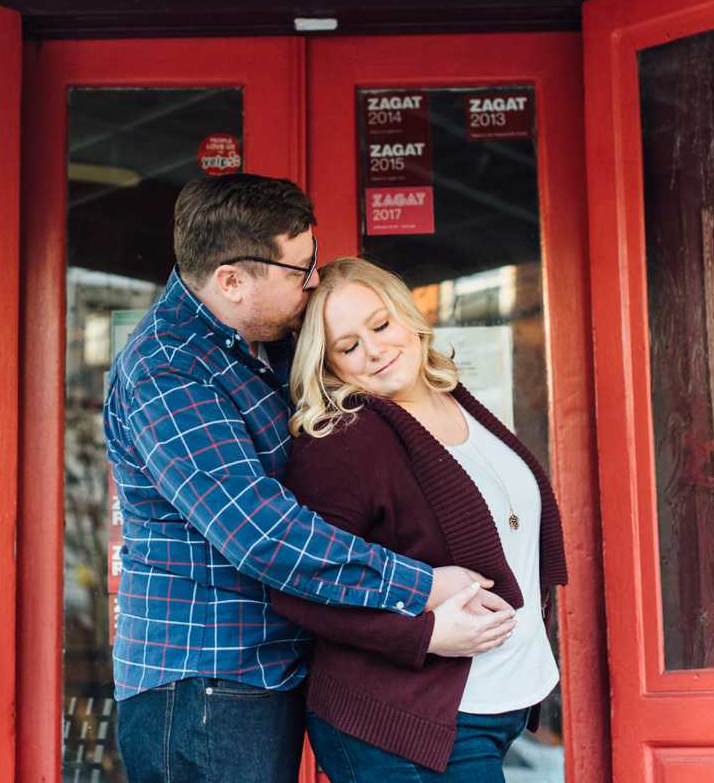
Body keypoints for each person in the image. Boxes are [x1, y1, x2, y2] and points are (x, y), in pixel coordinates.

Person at [104, 175, 513, 783]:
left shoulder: (257, 342)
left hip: (266, 671)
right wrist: (421, 588)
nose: (313, 279)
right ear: (232, 282)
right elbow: (260, 532)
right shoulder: (168, 369)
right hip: (206, 682)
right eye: (299, 269)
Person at [269, 256, 568, 782]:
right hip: (402, 722)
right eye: (348, 346)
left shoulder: (455, 400)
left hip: (493, 706)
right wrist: (423, 634)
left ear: (407, 315)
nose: (375, 350)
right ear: (331, 365)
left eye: (380, 325)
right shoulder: (343, 443)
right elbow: (296, 589)